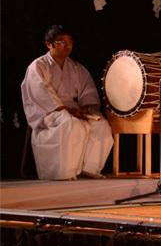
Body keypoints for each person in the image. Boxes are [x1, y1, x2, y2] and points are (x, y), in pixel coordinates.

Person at [20, 24, 113, 180]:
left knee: (101, 124)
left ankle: (89, 169)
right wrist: (65, 110)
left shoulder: (76, 68)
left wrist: (86, 109)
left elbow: (87, 91)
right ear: (49, 44)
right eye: (61, 42)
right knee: (70, 123)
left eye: (69, 42)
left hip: (74, 110)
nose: (67, 46)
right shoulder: (38, 66)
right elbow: (41, 93)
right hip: (49, 113)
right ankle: (62, 172)